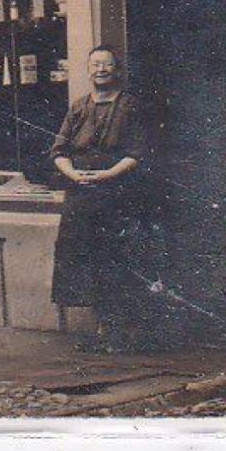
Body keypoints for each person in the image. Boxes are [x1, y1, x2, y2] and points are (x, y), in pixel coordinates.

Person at [49, 45, 164, 353]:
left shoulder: (131, 106)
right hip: (81, 197)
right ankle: (102, 330)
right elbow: (58, 151)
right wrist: (73, 174)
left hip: (118, 196)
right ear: (88, 70)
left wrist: (107, 174)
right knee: (87, 261)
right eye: (95, 64)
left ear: (117, 71)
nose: (100, 69)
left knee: (118, 261)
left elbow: (137, 153)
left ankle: (124, 333)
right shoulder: (78, 107)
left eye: (107, 65)